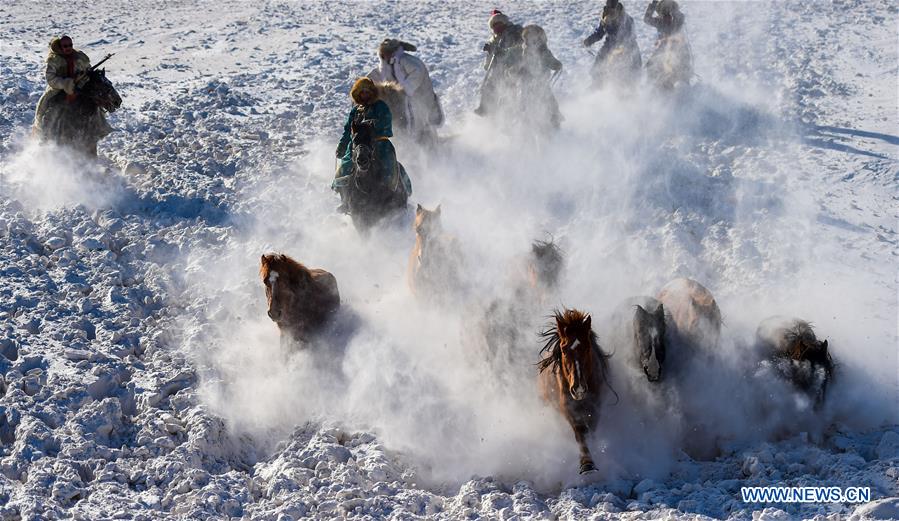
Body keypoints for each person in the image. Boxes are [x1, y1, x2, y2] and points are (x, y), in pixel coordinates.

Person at [332, 77, 411, 210]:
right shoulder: (355, 110)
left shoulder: (381, 106)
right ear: (358, 94)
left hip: (378, 142)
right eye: (362, 92)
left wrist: (375, 127)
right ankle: (345, 198)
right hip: (357, 144)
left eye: (367, 92)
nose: (365, 94)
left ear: (372, 92)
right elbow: (347, 130)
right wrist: (342, 145)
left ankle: (391, 191)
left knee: (388, 163)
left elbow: (386, 123)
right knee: (345, 166)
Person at [32, 35, 112, 156]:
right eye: (65, 46)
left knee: (95, 108)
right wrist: (66, 83)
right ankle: (47, 136)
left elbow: (88, 71)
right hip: (60, 90)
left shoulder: (80, 57)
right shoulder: (54, 60)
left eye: (70, 45)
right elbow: (51, 79)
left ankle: (97, 131)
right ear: (60, 47)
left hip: (80, 89)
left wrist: (83, 78)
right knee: (50, 112)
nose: (68, 48)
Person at [368, 38, 443, 144]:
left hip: (421, 99)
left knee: (423, 125)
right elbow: (377, 76)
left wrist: (404, 89)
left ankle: (432, 146)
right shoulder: (385, 66)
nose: (385, 56)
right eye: (383, 54)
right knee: (406, 124)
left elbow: (418, 72)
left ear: (393, 52)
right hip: (405, 103)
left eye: (387, 53)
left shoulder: (406, 61)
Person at [475, 9, 524, 116]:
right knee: (489, 86)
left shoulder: (516, 31)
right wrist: (490, 51)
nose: (496, 27)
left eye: (498, 24)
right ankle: (486, 110)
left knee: (509, 89)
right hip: (501, 69)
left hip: (517, 65)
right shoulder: (493, 40)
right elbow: (488, 66)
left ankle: (511, 115)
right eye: (493, 26)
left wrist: (506, 52)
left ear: (504, 23)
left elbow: (522, 47)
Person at [583, 0, 642, 87]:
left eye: (612, 9)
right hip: (610, 45)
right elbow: (599, 33)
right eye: (609, 9)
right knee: (599, 60)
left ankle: (630, 88)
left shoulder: (627, 20)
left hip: (628, 46)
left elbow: (630, 37)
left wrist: (623, 48)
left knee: (632, 66)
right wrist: (589, 40)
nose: (611, 11)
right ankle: (596, 83)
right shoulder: (605, 18)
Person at [518, 25, 563, 129]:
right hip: (527, 82)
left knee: (548, 100)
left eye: (535, 38)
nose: (532, 41)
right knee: (524, 102)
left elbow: (550, 61)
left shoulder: (543, 51)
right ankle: (525, 123)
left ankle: (554, 121)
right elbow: (523, 63)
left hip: (541, 82)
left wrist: (556, 64)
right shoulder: (525, 50)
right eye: (529, 38)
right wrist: (519, 70)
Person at [643, 0, 692, 88]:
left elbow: (681, 16)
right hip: (663, 49)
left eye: (669, 14)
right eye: (664, 14)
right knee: (651, 64)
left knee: (684, 65)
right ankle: (652, 87)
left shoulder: (677, 21)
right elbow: (646, 19)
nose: (667, 17)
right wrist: (653, 4)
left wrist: (673, 8)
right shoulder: (659, 21)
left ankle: (685, 85)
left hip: (679, 49)